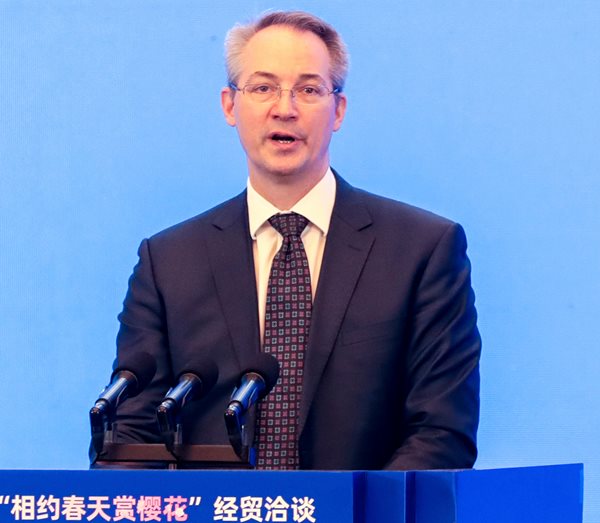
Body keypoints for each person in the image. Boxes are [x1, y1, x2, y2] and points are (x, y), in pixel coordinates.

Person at [108, 10, 481, 470]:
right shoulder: (168, 263)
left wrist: (352, 508)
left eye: (308, 90)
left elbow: (441, 433)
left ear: (338, 110)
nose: (284, 108)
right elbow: (131, 436)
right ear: (229, 105)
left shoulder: (421, 251)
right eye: (263, 88)